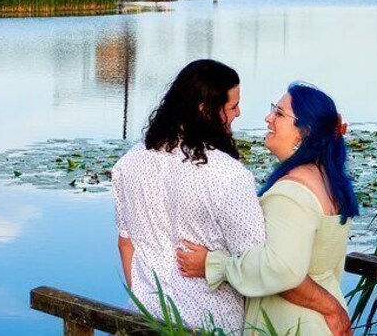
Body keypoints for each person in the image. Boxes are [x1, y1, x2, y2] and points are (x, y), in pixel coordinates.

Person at [113, 62, 350, 334]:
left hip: (147, 320)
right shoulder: (226, 174)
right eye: (232, 107)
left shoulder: (128, 164)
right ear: (206, 110)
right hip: (212, 324)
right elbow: (260, 261)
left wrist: (147, 301)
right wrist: (332, 307)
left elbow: (125, 244)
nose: (239, 113)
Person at [176, 82, 358, 335]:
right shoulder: (329, 181)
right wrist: (332, 308)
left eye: (280, 113)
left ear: (304, 132)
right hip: (322, 320)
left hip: (290, 324)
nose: (268, 118)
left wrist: (213, 263)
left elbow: (282, 270)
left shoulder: (291, 193)